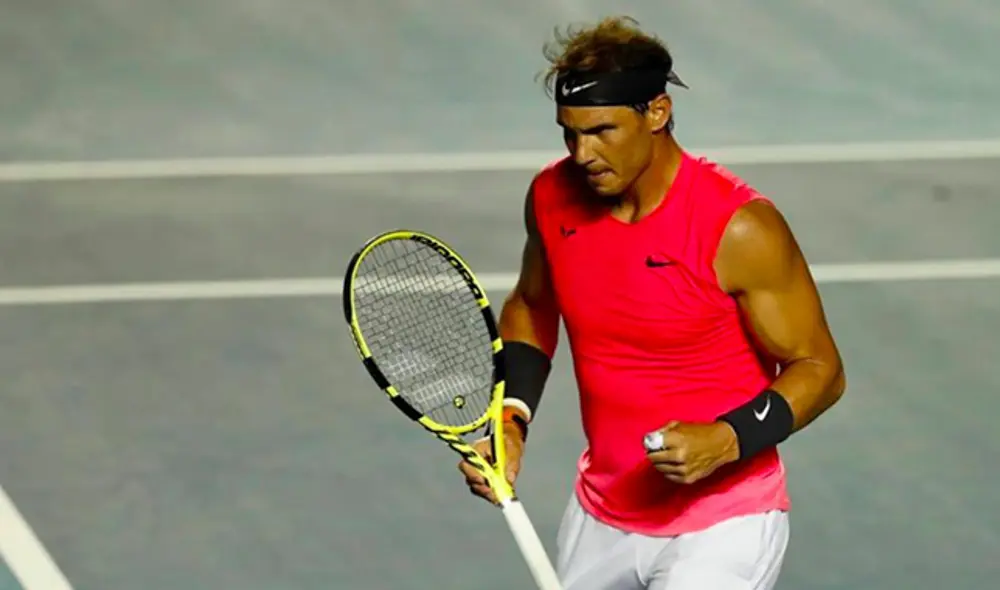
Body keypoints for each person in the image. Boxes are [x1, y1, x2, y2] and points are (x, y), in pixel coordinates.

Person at [458, 15, 846, 590]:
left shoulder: (738, 228)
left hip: (722, 527)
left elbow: (821, 370)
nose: (582, 153)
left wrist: (728, 437)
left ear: (657, 113)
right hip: (601, 515)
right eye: (570, 132)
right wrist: (512, 419)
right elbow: (533, 306)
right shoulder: (551, 196)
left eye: (603, 130)